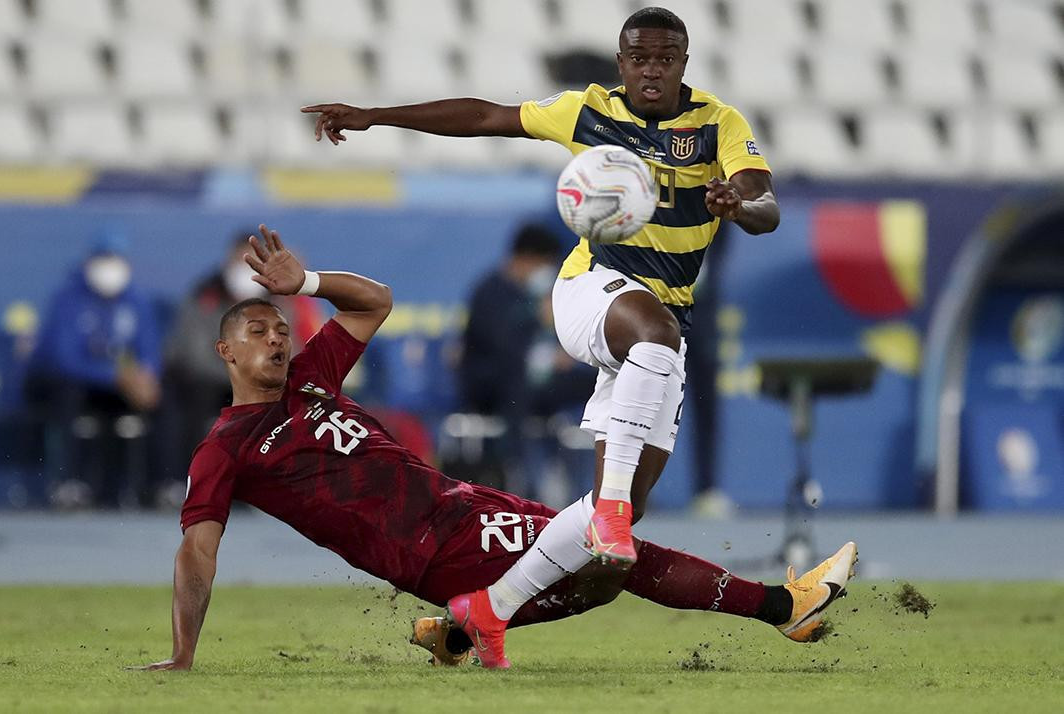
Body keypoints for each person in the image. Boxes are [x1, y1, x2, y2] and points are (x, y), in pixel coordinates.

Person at [137, 226, 854, 672]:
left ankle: (465, 625)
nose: (276, 336)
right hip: (437, 546)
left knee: (607, 552)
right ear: (222, 349)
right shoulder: (225, 450)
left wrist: (311, 284)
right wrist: (182, 656)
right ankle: (783, 605)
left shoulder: (310, 378)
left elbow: (373, 302)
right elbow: (197, 552)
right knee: (612, 545)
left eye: (279, 326)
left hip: (469, 510)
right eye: (257, 329)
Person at [300, 7, 780, 663]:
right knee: (654, 337)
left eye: (664, 58)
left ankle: (489, 611)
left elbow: (764, 203)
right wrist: (377, 115)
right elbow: (484, 116)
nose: (650, 70)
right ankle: (608, 511)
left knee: (628, 500)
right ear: (621, 63)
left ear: (683, 64)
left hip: (663, 328)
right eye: (638, 58)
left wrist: (737, 202)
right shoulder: (586, 111)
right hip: (591, 292)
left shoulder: (718, 124)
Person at [158, 232, 322, 505]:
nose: (246, 270)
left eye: (254, 262)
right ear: (228, 260)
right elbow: (195, 356)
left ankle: (274, 485)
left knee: (291, 400)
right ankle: (188, 482)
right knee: (190, 398)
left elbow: (291, 351)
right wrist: (239, 375)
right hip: (211, 382)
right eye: (241, 261)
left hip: (259, 383)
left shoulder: (280, 301)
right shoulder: (204, 296)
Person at [27, 230, 162, 508]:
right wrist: (115, 376)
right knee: (68, 393)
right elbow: (65, 361)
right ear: (90, 262)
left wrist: (146, 375)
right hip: (66, 384)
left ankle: (163, 485)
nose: (110, 267)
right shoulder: (67, 300)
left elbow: (148, 348)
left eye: (116, 259)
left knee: (165, 398)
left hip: (114, 387)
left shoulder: (136, 301)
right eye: (104, 258)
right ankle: (68, 483)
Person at [458, 223, 562, 491]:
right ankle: (517, 475)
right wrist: (537, 320)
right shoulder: (489, 291)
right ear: (528, 258)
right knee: (517, 380)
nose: (547, 272)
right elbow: (502, 346)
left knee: (586, 376)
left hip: (525, 383)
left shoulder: (534, 294)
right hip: (486, 383)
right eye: (545, 263)